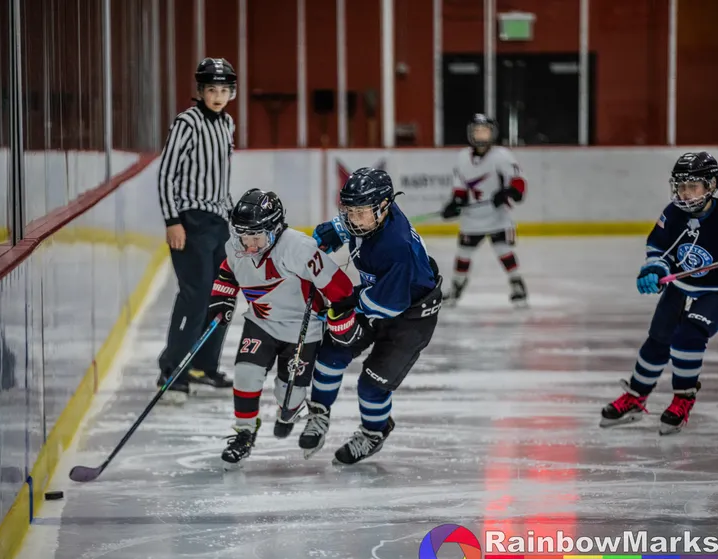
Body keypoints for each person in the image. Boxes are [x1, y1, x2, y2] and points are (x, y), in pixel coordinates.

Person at [206, 189, 354, 468]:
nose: (248, 245)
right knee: (246, 374)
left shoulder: (298, 248)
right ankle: (244, 433)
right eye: (243, 235)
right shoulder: (238, 246)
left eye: (256, 236)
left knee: (289, 397)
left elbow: (340, 287)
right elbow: (228, 271)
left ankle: (289, 411)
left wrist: (342, 318)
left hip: (303, 330)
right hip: (260, 324)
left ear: (275, 229)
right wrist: (222, 299)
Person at [306, 167, 444, 465]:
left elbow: (389, 306)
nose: (354, 220)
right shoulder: (370, 218)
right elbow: (337, 230)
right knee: (330, 352)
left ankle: (374, 432)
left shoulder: (396, 247)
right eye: (349, 211)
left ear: (383, 207)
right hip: (380, 294)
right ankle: (318, 412)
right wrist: (321, 241)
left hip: (411, 316)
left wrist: (347, 304)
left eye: (361, 214)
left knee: (372, 385)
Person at [600, 151, 718, 435]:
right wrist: (654, 270)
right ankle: (635, 397)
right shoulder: (673, 214)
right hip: (681, 287)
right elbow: (659, 250)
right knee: (658, 340)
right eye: (680, 185)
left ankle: (683, 398)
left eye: (692, 185)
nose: (685, 193)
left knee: (688, 336)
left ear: (712, 186)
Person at [157, 57, 238, 404]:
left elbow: (221, 179)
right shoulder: (187, 123)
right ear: (200, 91)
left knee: (222, 295)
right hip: (190, 222)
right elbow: (166, 174)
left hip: (218, 223)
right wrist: (172, 221)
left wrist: (233, 216)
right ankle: (172, 368)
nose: (217, 96)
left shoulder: (227, 124)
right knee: (195, 294)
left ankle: (204, 365)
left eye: (223, 90)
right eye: (211, 90)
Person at [440, 113, 528, 307]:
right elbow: (460, 188)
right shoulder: (463, 157)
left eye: (485, 131)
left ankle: (517, 284)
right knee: (463, 253)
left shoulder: (502, 156)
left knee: (504, 250)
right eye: (477, 131)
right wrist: (454, 203)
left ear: (492, 134)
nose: (481, 136)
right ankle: (456, 288)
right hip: (472, 218)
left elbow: (518, 182)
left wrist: (508, 192)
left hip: (498, 216)